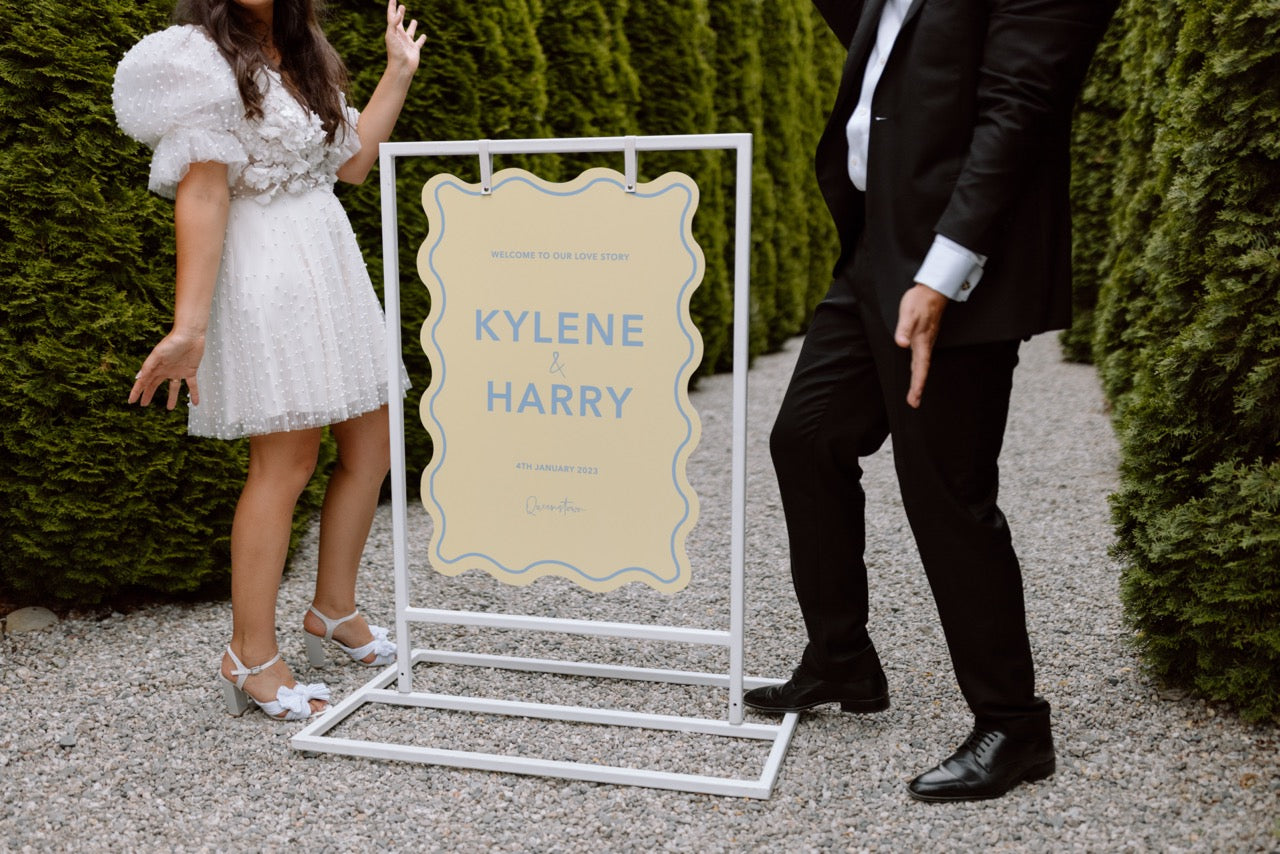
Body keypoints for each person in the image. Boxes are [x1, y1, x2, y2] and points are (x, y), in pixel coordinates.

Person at [743, 0, 1116, 801]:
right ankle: (842, 659)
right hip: (876, 245)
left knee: (946, 493)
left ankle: (1014, 725)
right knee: (806, 437)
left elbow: (1021, 109)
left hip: (958, 265)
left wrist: (943, 273)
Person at [112, 0, 426, 721]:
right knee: (285, 463)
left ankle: (334, 611)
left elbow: (352, 165)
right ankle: (249, 653)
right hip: (269, 274)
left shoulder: (302, 49)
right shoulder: (197, 58)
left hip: (331, 262)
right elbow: (203, 191)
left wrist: (398, 73)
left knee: (373, 445)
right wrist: (189, 327)